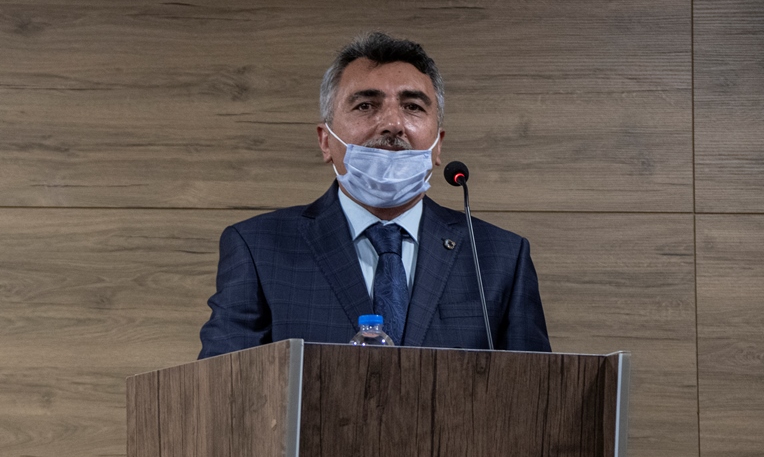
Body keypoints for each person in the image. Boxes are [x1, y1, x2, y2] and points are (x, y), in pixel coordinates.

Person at [198, 32, 550, 358]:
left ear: (438, 145)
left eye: (413, 106)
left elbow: (534, 390)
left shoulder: (499, 256)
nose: (392, 124)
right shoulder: (258, 247)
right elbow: (223, 385)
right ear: (325, 141)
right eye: (366, 105)